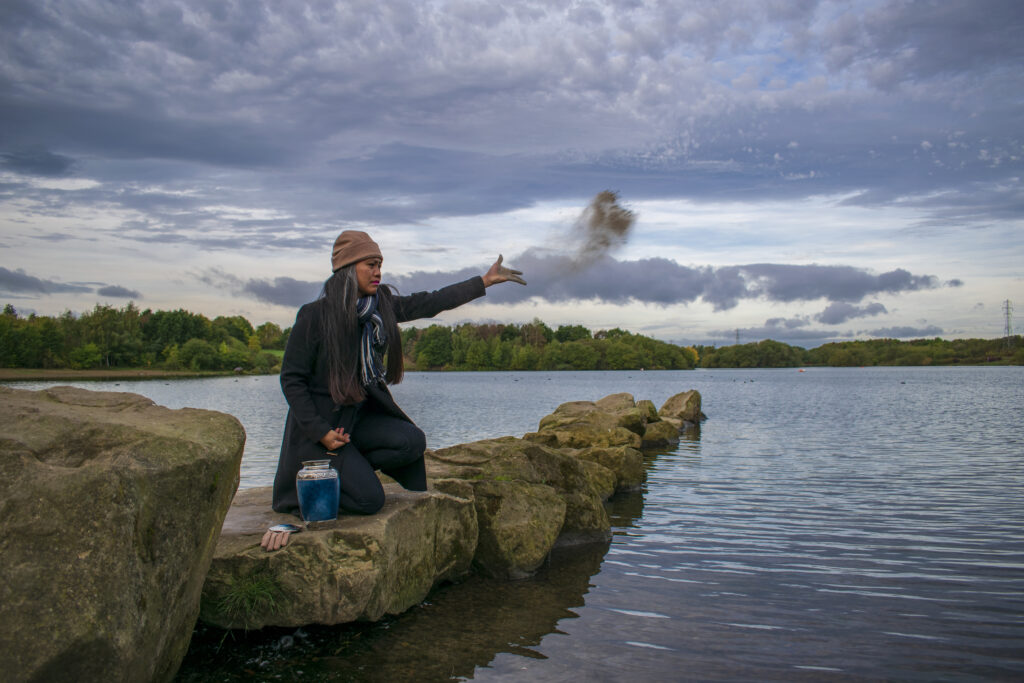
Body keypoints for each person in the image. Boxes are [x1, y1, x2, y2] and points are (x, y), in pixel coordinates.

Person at [262, 230, 525, 551]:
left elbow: (428, 302)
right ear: (347, 269)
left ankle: (350, 465)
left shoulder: (379, 307)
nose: (378, 272)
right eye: (370, 265)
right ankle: (321, 483)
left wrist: (483, 281)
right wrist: (321, 432)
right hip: (320, 434)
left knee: (411, 441)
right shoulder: (313, 316)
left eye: (379, 265)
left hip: (354, 425)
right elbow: (291, 380)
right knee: (370, 500)